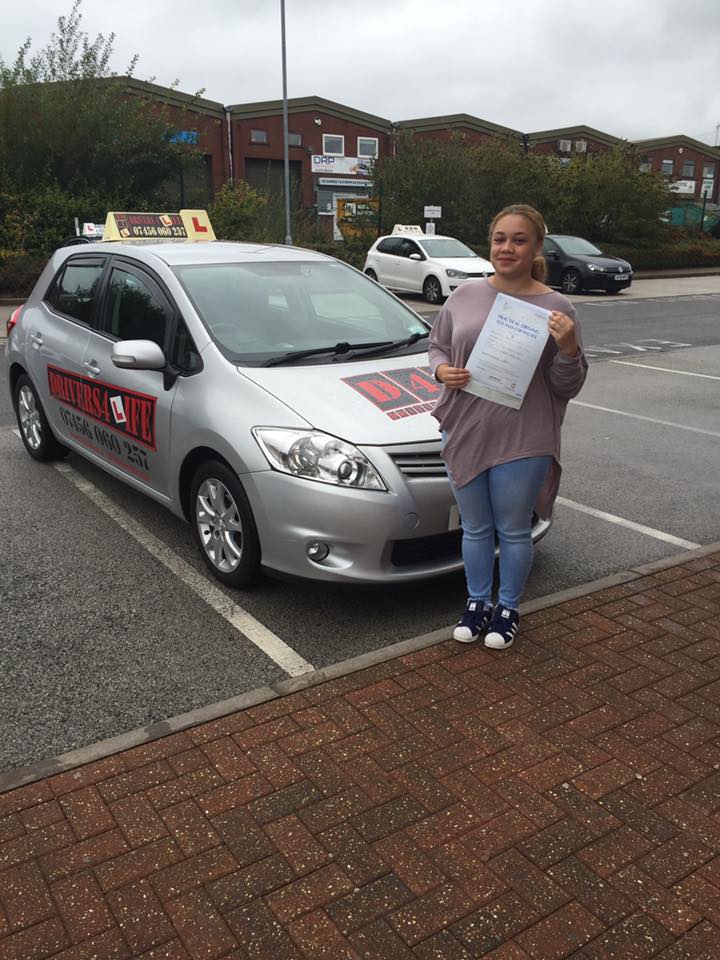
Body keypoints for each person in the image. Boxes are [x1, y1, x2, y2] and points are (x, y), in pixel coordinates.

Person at [428, 204, 587, 649]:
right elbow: (437, 345)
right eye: (500, 239)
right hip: (466, 428)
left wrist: (570, 348)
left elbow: (566, 385)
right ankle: (477, 602)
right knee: (475, 527)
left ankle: (508, 608)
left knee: (513, 528)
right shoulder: (465, 295)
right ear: (490, 243)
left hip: (524, 436)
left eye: (519, 240)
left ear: (536, 247)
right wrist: (442, 371)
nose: (507, 248)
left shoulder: (557, 307)